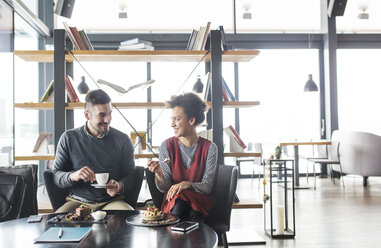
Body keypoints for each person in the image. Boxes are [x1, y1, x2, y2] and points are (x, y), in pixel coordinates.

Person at [52, 89, 136, 213]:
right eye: (102, 115)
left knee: (128, 217)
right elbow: (56, 175)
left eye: (110, 114)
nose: (107, 119)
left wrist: (119, 186)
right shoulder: (69, 138)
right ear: (87, 115)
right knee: (56, 223)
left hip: (111, 201)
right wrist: (73, 176)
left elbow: (131, 176)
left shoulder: (123, 139)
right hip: (78, 201)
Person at [147, 92, 217, 221]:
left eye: (177, 119)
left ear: (191, 120)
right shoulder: (166, 146)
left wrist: (187, 184)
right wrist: (160, 173)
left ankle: (172, 239)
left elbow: (207, 187)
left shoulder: (210, 148)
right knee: (181, 203)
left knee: (191, 209)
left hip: (199, 202)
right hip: (175, 203)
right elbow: (165, 188)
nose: (172, 124)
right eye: (172, 119)